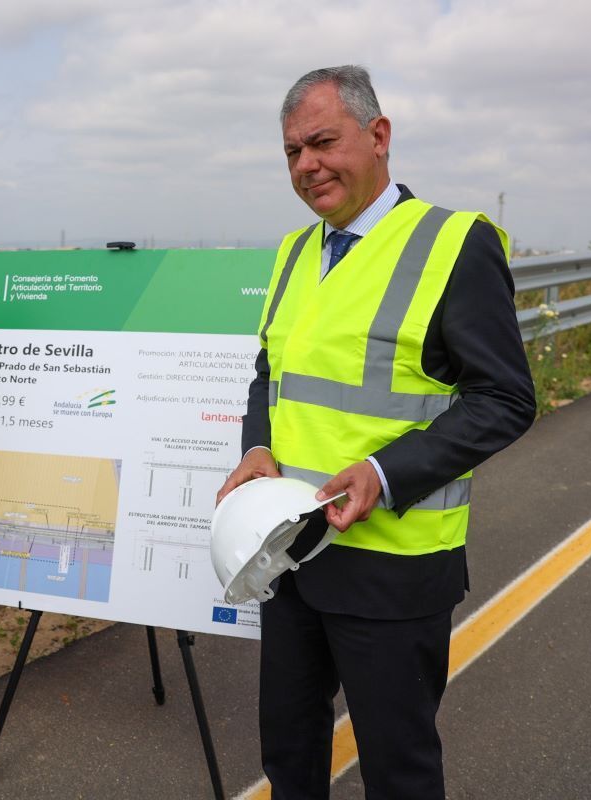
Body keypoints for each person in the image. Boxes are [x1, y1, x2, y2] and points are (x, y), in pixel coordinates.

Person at [217, 66, 536, 798]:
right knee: (290, 758)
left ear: (379, 135)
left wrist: (386, 473)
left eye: (323, 142)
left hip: (394, 567)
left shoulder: (455, 244)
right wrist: (257, 447)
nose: (306, 166)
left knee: (398, 772)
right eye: (293, 151)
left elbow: (505, 398)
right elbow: (273, 371)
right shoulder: (295, 252)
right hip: (292, 556)